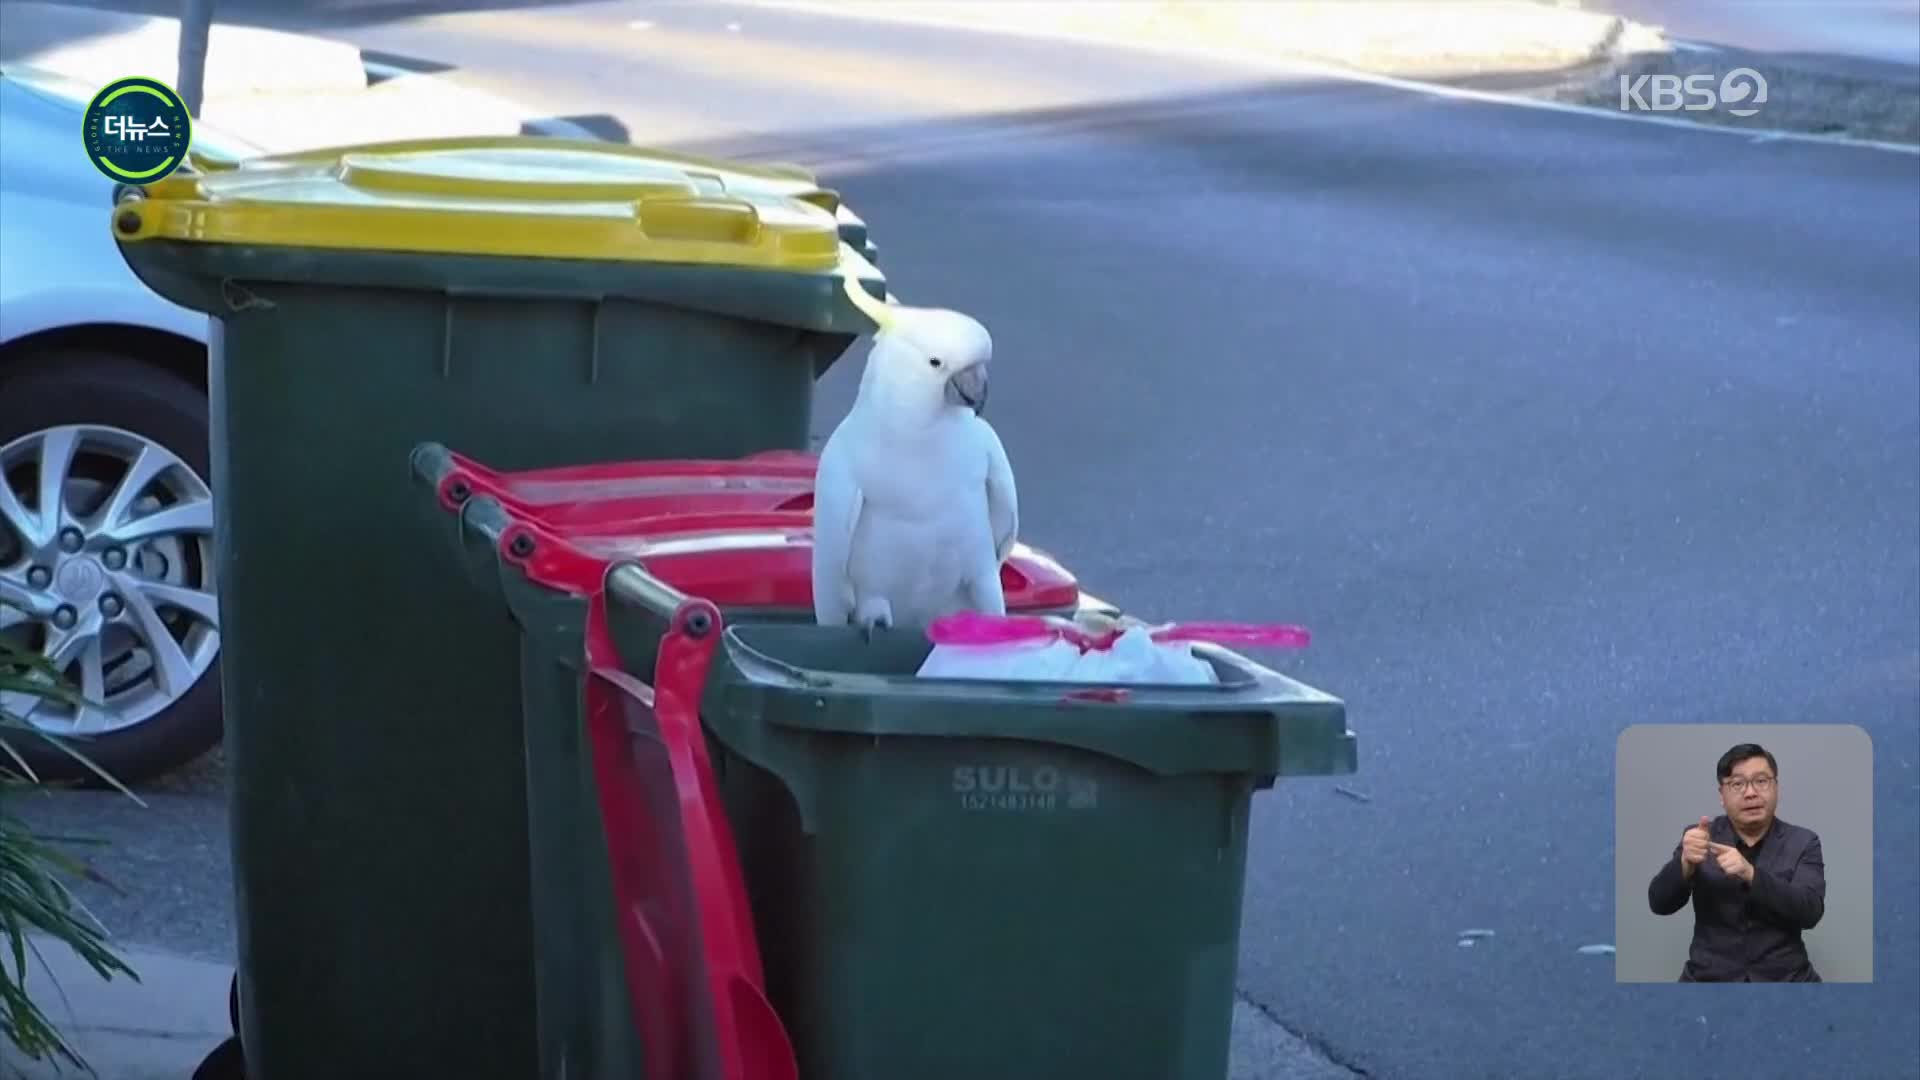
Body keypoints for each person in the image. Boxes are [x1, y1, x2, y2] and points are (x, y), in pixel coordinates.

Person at [1646, 742, 1826, 982]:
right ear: (1722, 795)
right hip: (1708, 980)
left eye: (1761, 781)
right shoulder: (1700, 837)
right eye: (1737, 784)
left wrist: (1751, 874)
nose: (1751, 793)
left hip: (1786, 979)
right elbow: (1659, 903)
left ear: (1776, 787)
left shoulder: (1803, 841)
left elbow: (1810, 912)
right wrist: (1685, 864)